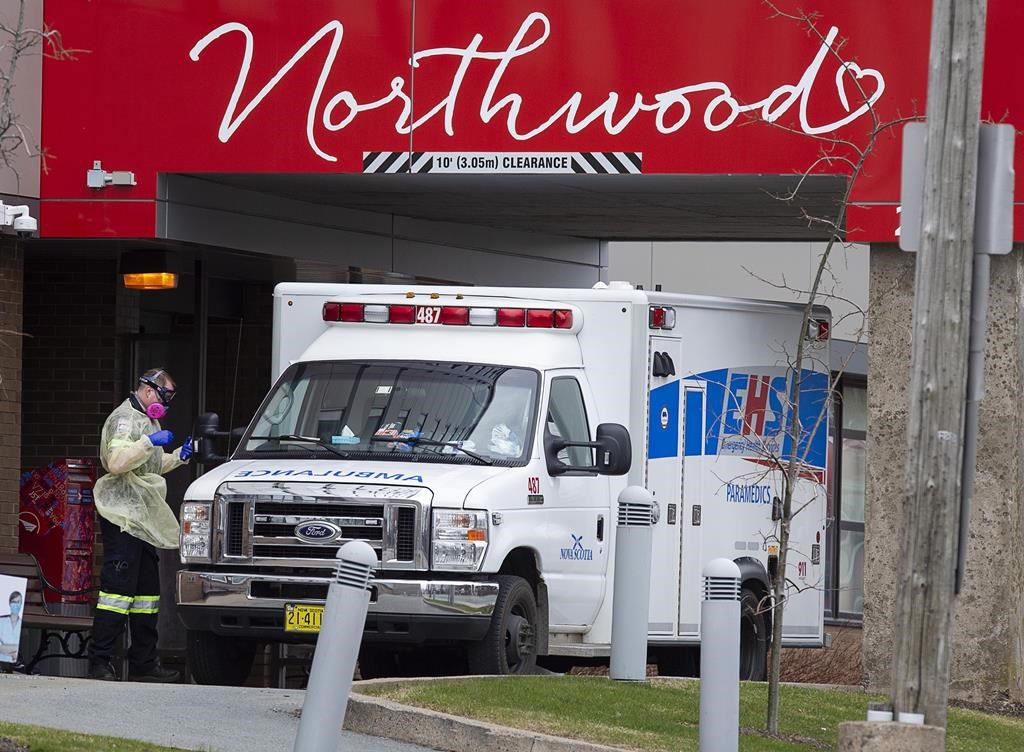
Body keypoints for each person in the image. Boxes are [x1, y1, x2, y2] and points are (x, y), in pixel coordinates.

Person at [87, 368, 193, 682]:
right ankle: (100, 663)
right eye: (165, 396)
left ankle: (144, 664)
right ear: (148, 390)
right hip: (122, 516)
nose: (167, 404)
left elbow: (152, 465)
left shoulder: (149, 420)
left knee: (147, 594)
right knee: (117, 593)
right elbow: (117, 462)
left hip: (141, 518)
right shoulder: (125, 420)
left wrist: (180, 456)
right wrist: (147, 441)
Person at [0, 591, 23, 663]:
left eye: (18, 602)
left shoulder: (22, 623)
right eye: (14, 602)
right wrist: (15, 649)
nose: (16, 605)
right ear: (10, 603)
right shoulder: (1, 621)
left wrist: (6, 648)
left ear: (21, 604)